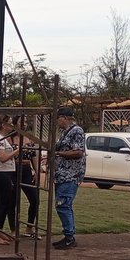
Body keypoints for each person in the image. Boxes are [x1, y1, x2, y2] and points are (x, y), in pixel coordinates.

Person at [51, 106, 86, 249]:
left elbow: (78, 152)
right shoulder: (65, 132)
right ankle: (68, 235)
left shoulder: (76, 131)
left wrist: (58, 154)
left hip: (70, 175)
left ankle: (69, 237)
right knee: (63, 205)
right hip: (61, 174)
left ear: (65, 118)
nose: (57, 121)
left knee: (63, 204)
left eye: (58, 118)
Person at [0, 114, 19, 245]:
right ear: (3, 125)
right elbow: (2, 157)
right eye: (9, 123)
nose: (11, 126)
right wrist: (16, 151)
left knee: (7, 203)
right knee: (1, 204)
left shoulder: (4, 139)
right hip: (1, 173)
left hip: (7, 172)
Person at [14, 115, 42, 237]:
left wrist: (36, 171)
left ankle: (29, 228)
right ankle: (12, 230)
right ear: (14, 123)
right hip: (13, 170)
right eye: (22, 121)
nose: (24, 123)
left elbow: (33, 156)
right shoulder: (10, 138)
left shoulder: (28, 138)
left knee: (35, 200)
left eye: (25, 121)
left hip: (26, 170)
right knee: (12, 201)